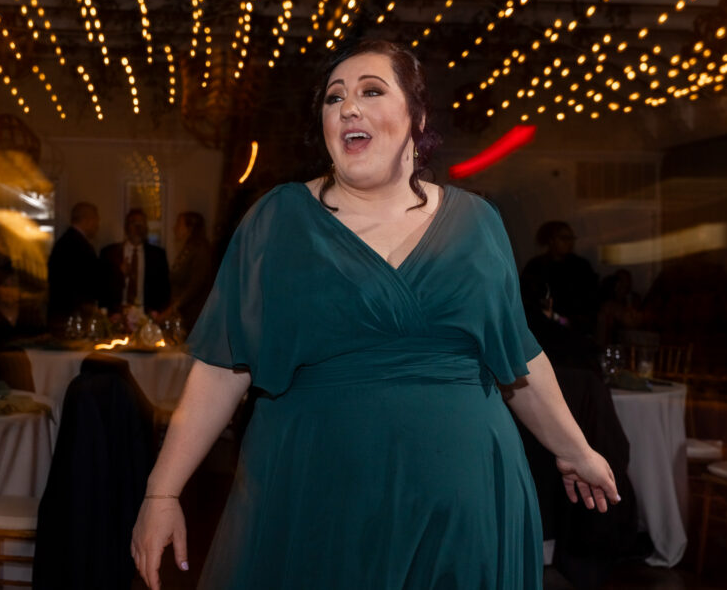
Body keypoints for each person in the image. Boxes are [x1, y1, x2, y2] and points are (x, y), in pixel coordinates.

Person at [131, 39, 619, 589]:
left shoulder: (478, 223)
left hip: (462, 505)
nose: (348, 107)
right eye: (334, 98)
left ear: (416, 116)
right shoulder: (277, 221)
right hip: (313, 499)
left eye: (370, 91)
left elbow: (518, 359)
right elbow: (223, 367)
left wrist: (577, 452)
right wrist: (162, 491)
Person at [521, 221, 599, 335]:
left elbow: (591, 298)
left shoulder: (581, 266)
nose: (570, 242)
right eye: (564, 238)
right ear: (551, 240)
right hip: (546, 330)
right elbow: (529, 299)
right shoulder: (536, 266)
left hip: (577, 330)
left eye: (571, 238)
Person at [101, 208, 170, 316]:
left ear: (146, 228)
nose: (138, 227)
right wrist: (119, 274)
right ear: (126, 227)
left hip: (147, 315)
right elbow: (102, 289)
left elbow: (164, 290)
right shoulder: (109, 253)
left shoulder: (158, 255)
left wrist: (158, 314)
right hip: (117, 315)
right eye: (134, 223)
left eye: (142, 223)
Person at [47, 202, 101, 325]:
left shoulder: (66, 241)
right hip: (70, 316)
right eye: (96, 220)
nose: (97, 225)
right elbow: (78, 282)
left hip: (64, 313)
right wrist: (87, 307)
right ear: (87, 219)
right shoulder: (78, 245)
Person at [162, 211, 213, 329]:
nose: (174, 228)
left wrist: (173, 308)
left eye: (179, 224)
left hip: (193, 316)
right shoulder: (187, 250)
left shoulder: (200, 250)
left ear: (189, 229)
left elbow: (195, 286)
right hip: (183, 313)